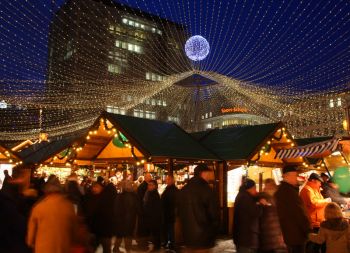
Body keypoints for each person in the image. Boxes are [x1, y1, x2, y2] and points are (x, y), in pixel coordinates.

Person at [26, 176, 78, 253]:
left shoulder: (39, 207)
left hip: (43, 248)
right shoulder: (68, 206)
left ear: (46, 191)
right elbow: (74, 230)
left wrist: (30, 242)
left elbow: (31, 235)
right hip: (63, 248)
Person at [178, 164, 220, 253]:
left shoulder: (184, 190)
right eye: (209, 172)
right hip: (204, 237)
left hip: (187, 236)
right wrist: (214, 230)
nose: (211, 175)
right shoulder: (207, 190)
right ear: (203, 173)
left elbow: (179, 212)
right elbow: (214, 214)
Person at [275, 165, 311, 253]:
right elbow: (300, 214)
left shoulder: (281, 191)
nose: (296, 178)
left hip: (288, 235)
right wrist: (308, 230)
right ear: (288, 176)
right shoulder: (289, 193)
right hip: (295, 236)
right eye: (295, 176)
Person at [300, 173, 330, 253]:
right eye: (319, 182)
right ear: (313, 181)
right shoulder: (307, 190)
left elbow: (320, 202)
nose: (320, 184)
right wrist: (326, 201)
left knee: (319, 244)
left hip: (319, 221)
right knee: (313, 245)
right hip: (312, 222)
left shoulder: (315, 189)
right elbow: (313, 203)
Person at [258, 178, 287, 253]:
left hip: (275, 236)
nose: (271, 188)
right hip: (268, 236)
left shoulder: (274, 198)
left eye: (272, 186)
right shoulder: (263, 198)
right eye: (269, 186)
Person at [233, 178, 261, 253]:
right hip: (246, 238)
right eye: (255, 188)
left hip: (241, 237)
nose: (256, 191)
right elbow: (256, 213)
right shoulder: (246, 198)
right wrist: (260, 204)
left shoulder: (242, 195)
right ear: (250, 188)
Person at [114, 180, 140, 253]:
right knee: (128, 235)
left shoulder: (120, 196)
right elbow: (138, 208)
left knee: (120, 235)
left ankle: (116, 249)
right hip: (130, 219)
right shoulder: (134, 196)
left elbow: (116, 209)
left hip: (121, 220)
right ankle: (127, 250)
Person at [143, 179, 162, 252]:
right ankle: (156, 247)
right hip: (151, 217)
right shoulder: (150, 193)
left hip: (154, 217)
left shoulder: (154, 195)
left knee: (155, 233)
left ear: (155, 186)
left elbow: (154, 208)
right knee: (154, 233)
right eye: (148, 185)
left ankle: (156, 247)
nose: (149, 186)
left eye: (151, 185)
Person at [161, 174, 179, 250]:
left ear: (172, 181)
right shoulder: (173, 190)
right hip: (169, 213)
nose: (166, 180)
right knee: (170, 229)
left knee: (170, 229)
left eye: (168, 179)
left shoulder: (170, 190)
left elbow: (169, 202)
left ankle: (171, 243)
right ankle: (170, 243)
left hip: (169, 213)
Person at [136, 172, 153, 251]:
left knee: (142, 228)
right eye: (150, 177)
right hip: (143, 211)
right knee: (143, 229)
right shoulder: (144, 186)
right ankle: (142, 244)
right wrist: (142, 210)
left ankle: (142, 243)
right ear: (146, 178)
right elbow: (141, 200)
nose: (151, 178)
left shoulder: (143, 186)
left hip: (142, 211)